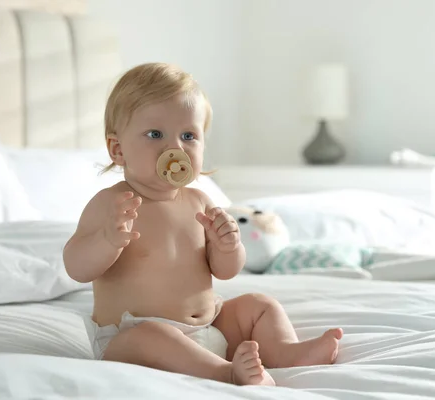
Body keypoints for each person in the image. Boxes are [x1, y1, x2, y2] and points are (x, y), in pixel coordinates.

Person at [63, 62, 343, 386]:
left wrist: (229, 246)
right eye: (155, 134)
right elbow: (76, 267)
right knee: (150, 335)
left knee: (259, 305)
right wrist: (107, 241)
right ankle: (225, 372)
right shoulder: (112, 205)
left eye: (189, 135)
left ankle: (287, 352)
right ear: (118, 149)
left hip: (210, 325)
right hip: (134, 339)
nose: (175, 148)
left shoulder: (199, 201)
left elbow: (225, 271)